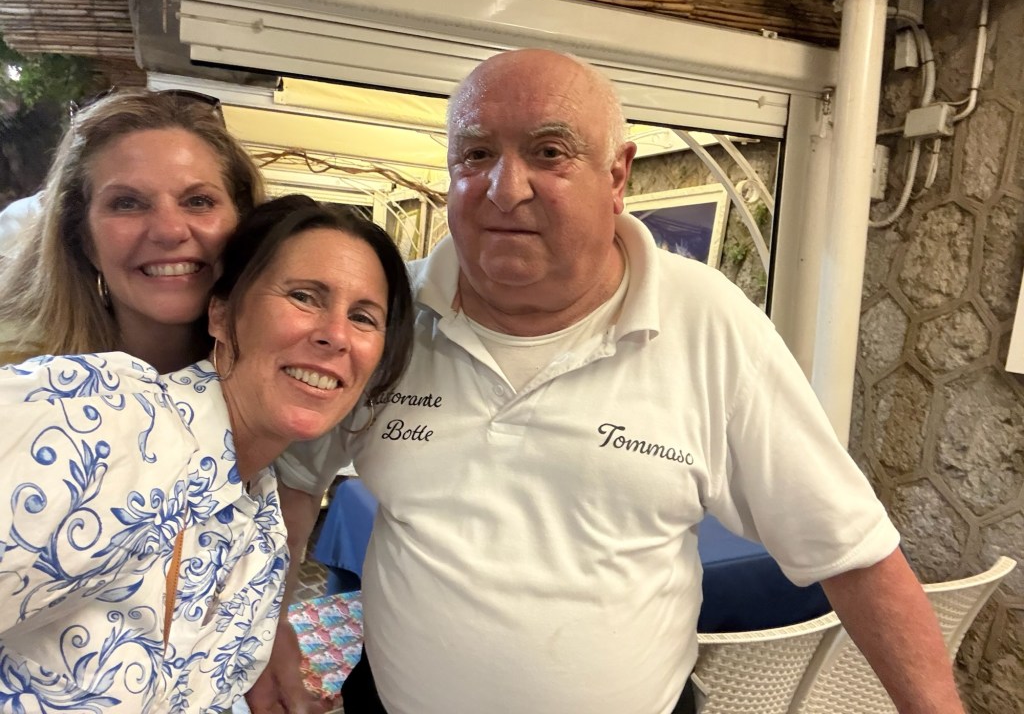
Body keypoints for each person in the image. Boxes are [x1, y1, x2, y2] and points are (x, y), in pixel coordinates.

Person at [275, 49, 967, 714]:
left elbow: (852, 553)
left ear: (617, 176)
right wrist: (269, 630)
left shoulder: (708, 323)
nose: (505, 188)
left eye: (549, 152)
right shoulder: (385, 314)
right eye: (477, 154)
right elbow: (294, 483)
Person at [0, 194, 414, 712]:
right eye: (304, 296)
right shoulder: (103, 418)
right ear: (220, 313)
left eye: (364, 318)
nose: (336, 336)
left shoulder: (262, 533)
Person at [0, 89, 263, 372]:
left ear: (244, 221)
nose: (169, 231)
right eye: (127, 204)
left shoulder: (284, 381)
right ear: (83, 237)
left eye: (198, 201)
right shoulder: (14, 376)